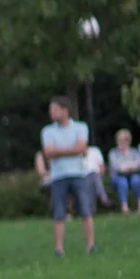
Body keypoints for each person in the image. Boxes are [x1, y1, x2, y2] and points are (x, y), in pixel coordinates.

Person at [41, 96, 95, 257]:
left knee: (86, 210)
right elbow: (49, 153)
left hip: (78, 174)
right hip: (58, 177)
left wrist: (59, 151)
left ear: (65, 111)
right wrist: (72, 149)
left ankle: (91, 246)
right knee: (59, 213)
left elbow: (81, 148)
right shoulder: (47, 131)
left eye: (55, 109)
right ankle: (59, 249)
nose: (51, 112)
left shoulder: (80, 127)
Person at [109, 129, 140, 215]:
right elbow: (118, 167)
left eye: (123, 140)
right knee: (122, 182)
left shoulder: (134, 152)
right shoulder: (113, 153)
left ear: (128, 140)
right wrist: (131, 165)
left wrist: (126, 166)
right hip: (117, 177)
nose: (120, 142)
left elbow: (139, 164)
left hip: (133, 176)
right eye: (118, 140)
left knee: (136, 180)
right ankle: (124, 207)